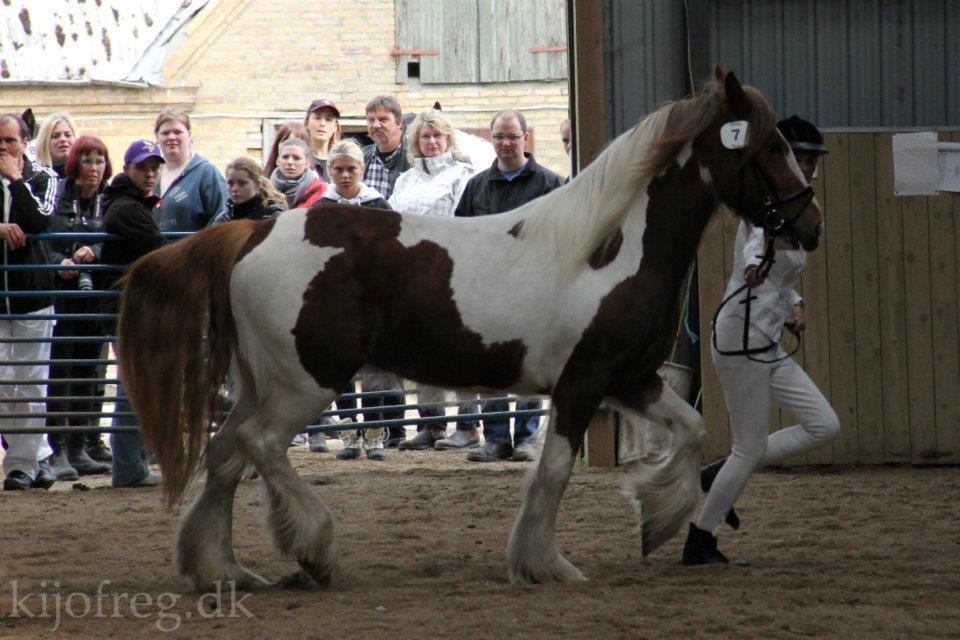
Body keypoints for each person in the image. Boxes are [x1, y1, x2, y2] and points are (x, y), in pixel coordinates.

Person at [682, 115, 838, 565]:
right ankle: (701, 539)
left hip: (765, 342)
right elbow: (757, 251)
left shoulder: (792, 206)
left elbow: (784, 277)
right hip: (740, 339)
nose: (808, 167)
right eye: (802, 158)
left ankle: (720, 474)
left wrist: (795, 304)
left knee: (823, 425)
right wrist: (754, 268)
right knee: (748, 447)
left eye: (812, 160)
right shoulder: (764, 212)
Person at [454, 109, 564, 463]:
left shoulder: (551, 184)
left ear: (525, 138)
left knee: (528, 365)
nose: (505, 143)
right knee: (491, 366)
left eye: (512, 136)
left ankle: (527, 438)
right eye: (499, 137)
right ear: (491, 139)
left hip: (534, 290)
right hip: (488, 291)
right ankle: (496, 438)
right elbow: (461, 236)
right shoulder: (476, 187)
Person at [387, 109, 476, 450]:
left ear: (448, 139)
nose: (432, 141)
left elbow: (462, 221)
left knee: (459, 350)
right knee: (421, 351)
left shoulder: (461, 175)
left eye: (438, 135)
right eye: (425, 136)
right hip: (411, 276)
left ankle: (467, 426)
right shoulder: (405, 180)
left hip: (450, 272)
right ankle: (432, 423)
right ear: (416, 142)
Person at [315, 139, 392, 461]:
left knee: (374, 368)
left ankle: (375, 434)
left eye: (352, 169)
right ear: (329, 170)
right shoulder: (320, 209)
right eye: (338, 169)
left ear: (362, 169)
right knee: (340, 368)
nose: (345, 176)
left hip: (373, 298)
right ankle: (349, 434)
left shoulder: (379, 205)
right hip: (336, 300)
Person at [45, 136, 115, 479]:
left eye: (100, 161)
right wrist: (60, 261)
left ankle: (80, 446)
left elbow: (115, 243)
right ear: (74, 165)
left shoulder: (109, 201)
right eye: (87, 161)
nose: (95, 168)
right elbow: (42, 242)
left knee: (89, 371)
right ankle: (57, 449)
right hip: (61, 298)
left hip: (93, 298)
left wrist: (95, 253)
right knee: (62, 371)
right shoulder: (57, 197)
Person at [99, 140, 166, 488]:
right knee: (133, 383)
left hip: (129, 305)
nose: (151, 173)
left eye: (155, 167)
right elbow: (158, 249)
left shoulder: (128, 203)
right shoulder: (127, 208)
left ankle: (132, 460)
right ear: (127, 169)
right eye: (143, 167)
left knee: (135, 381)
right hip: (128, 307)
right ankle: (127, 463)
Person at [0, 112, 58, 490]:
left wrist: (16, 180)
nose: (3, 149)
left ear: (25, 143)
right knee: (4, 383)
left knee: (32, 382)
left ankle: (20, 466)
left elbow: (40, 221)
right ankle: (40, 456)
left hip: (32, 296)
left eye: (10, 141)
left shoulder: (43, 177)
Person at [154, 108, 227, 232]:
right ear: (157, 137)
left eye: (178, 132)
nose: (171, 137)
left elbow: (221, 219)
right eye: (165, 133)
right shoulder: (152, 174)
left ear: (189, 135)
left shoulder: (206, 173)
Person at [361, 96, 411, 200]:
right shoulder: (360, 158)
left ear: (399, 123)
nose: (375, 125)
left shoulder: (415, 159)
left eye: (383, 119)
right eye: (371, 120)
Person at [211, 157, 285, 224]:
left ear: (257, 184)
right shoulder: (222, 220)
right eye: (230, 183)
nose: (234, 188)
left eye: (242, 183)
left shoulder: (274, 218)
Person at [270, 138, 326, 209]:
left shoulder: (320, 191)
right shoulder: (265, 190)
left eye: (296, 158)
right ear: (277, 161)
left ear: (307, 163)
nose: (290, 162)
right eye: (285, 157)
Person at [304, 99, 341, 181]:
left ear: (335, 127)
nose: (322, 124)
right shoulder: (299, 159)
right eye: (317, 118)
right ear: (307, 123)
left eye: (328, 119)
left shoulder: (341, 161)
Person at [35, 112, 78, 178]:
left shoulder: (83, 173)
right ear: (45, 142)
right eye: (55, 136)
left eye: (67, 135)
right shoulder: (37, 175)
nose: (63, 139)